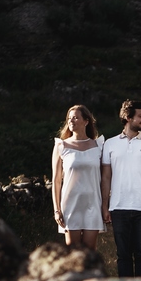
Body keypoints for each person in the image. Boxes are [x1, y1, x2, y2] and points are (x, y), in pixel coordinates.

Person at [101, 99, 141, 277]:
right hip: (118, 208)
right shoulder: (110, 144)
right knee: (123, 256)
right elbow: (106, 178)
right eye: (140, 116)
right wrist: (104, 206)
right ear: (128, 118)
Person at [51, 104, 105, 250]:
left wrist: (105, 206)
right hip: (70, 205)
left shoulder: (98, 146)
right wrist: (57, 210)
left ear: (86, 121)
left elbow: (105, 178)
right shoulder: (61, 146)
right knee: (73, 253)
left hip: (92, 204)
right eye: (69, 118)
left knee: (89, 253)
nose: (71, 121)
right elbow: (56, 181)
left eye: (75, 117)